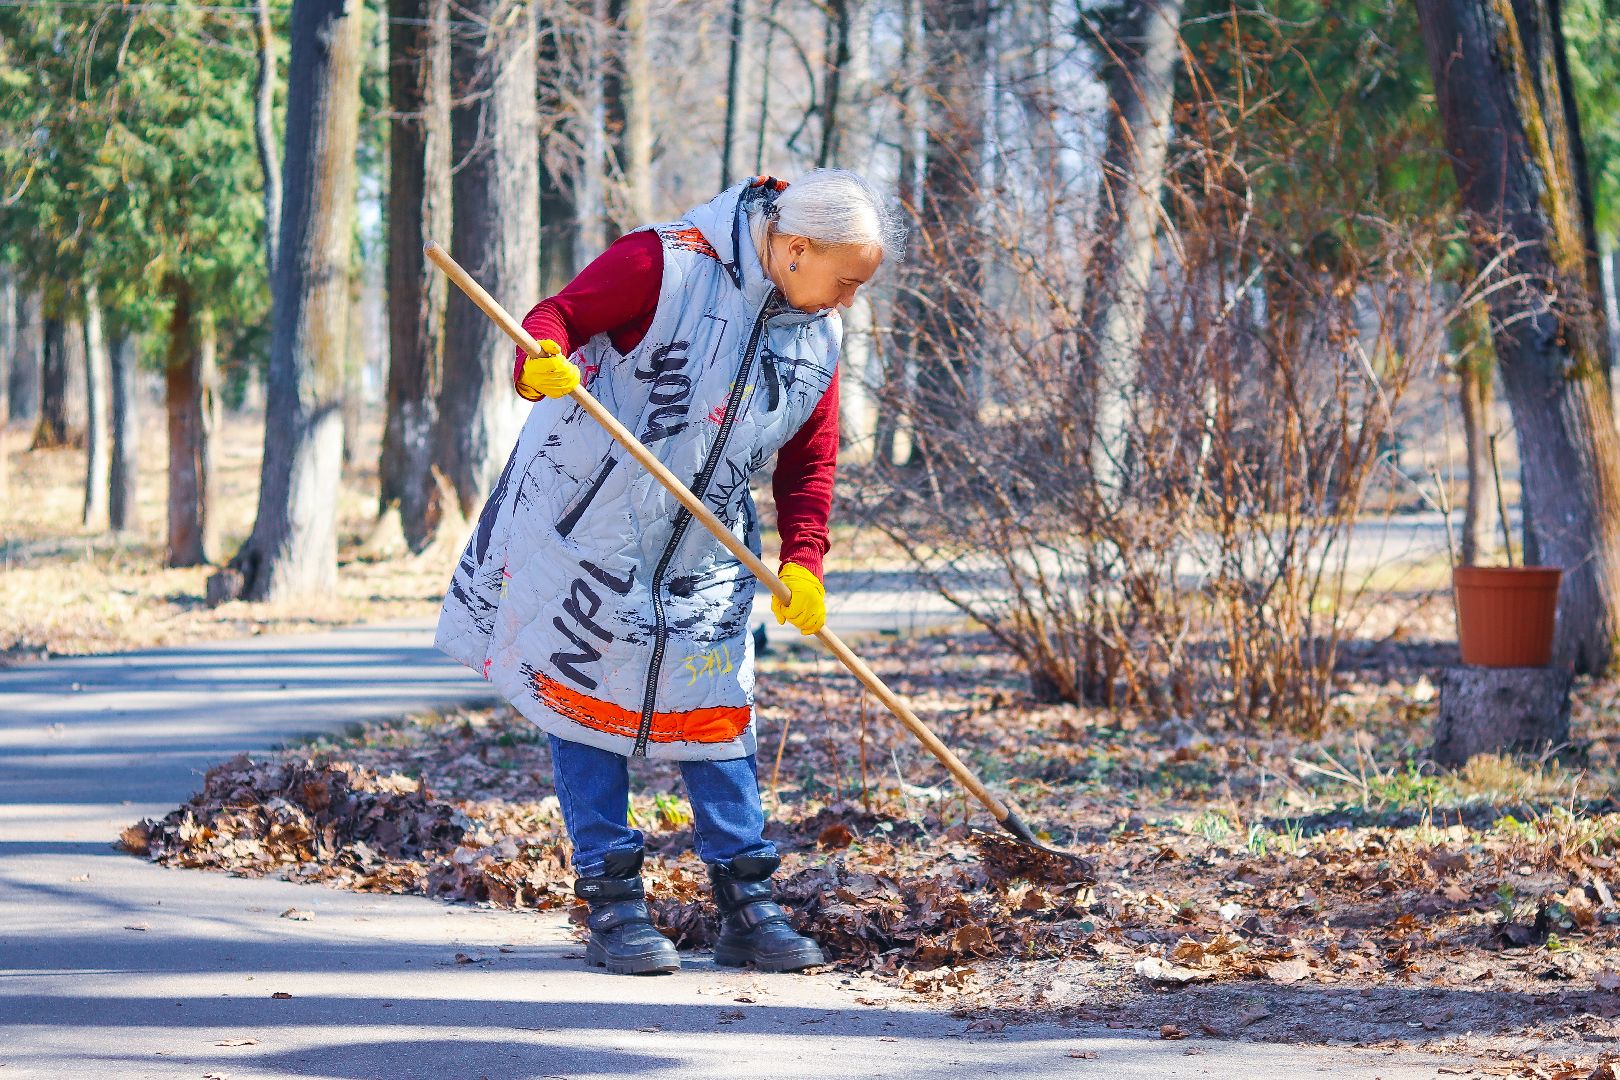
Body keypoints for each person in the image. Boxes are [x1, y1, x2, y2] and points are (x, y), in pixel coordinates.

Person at [435, 169, 904, 975]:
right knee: (585, 706)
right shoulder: (666, 264)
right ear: (796, 249)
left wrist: (804, 561)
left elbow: (809, 464)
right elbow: (556, 319)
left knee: (716, 708)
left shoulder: (816, 334)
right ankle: (614, 907)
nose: (850, 300)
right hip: (590, 529)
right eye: (848, 279)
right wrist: (539, 359)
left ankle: (747, 907)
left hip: (703, 548)